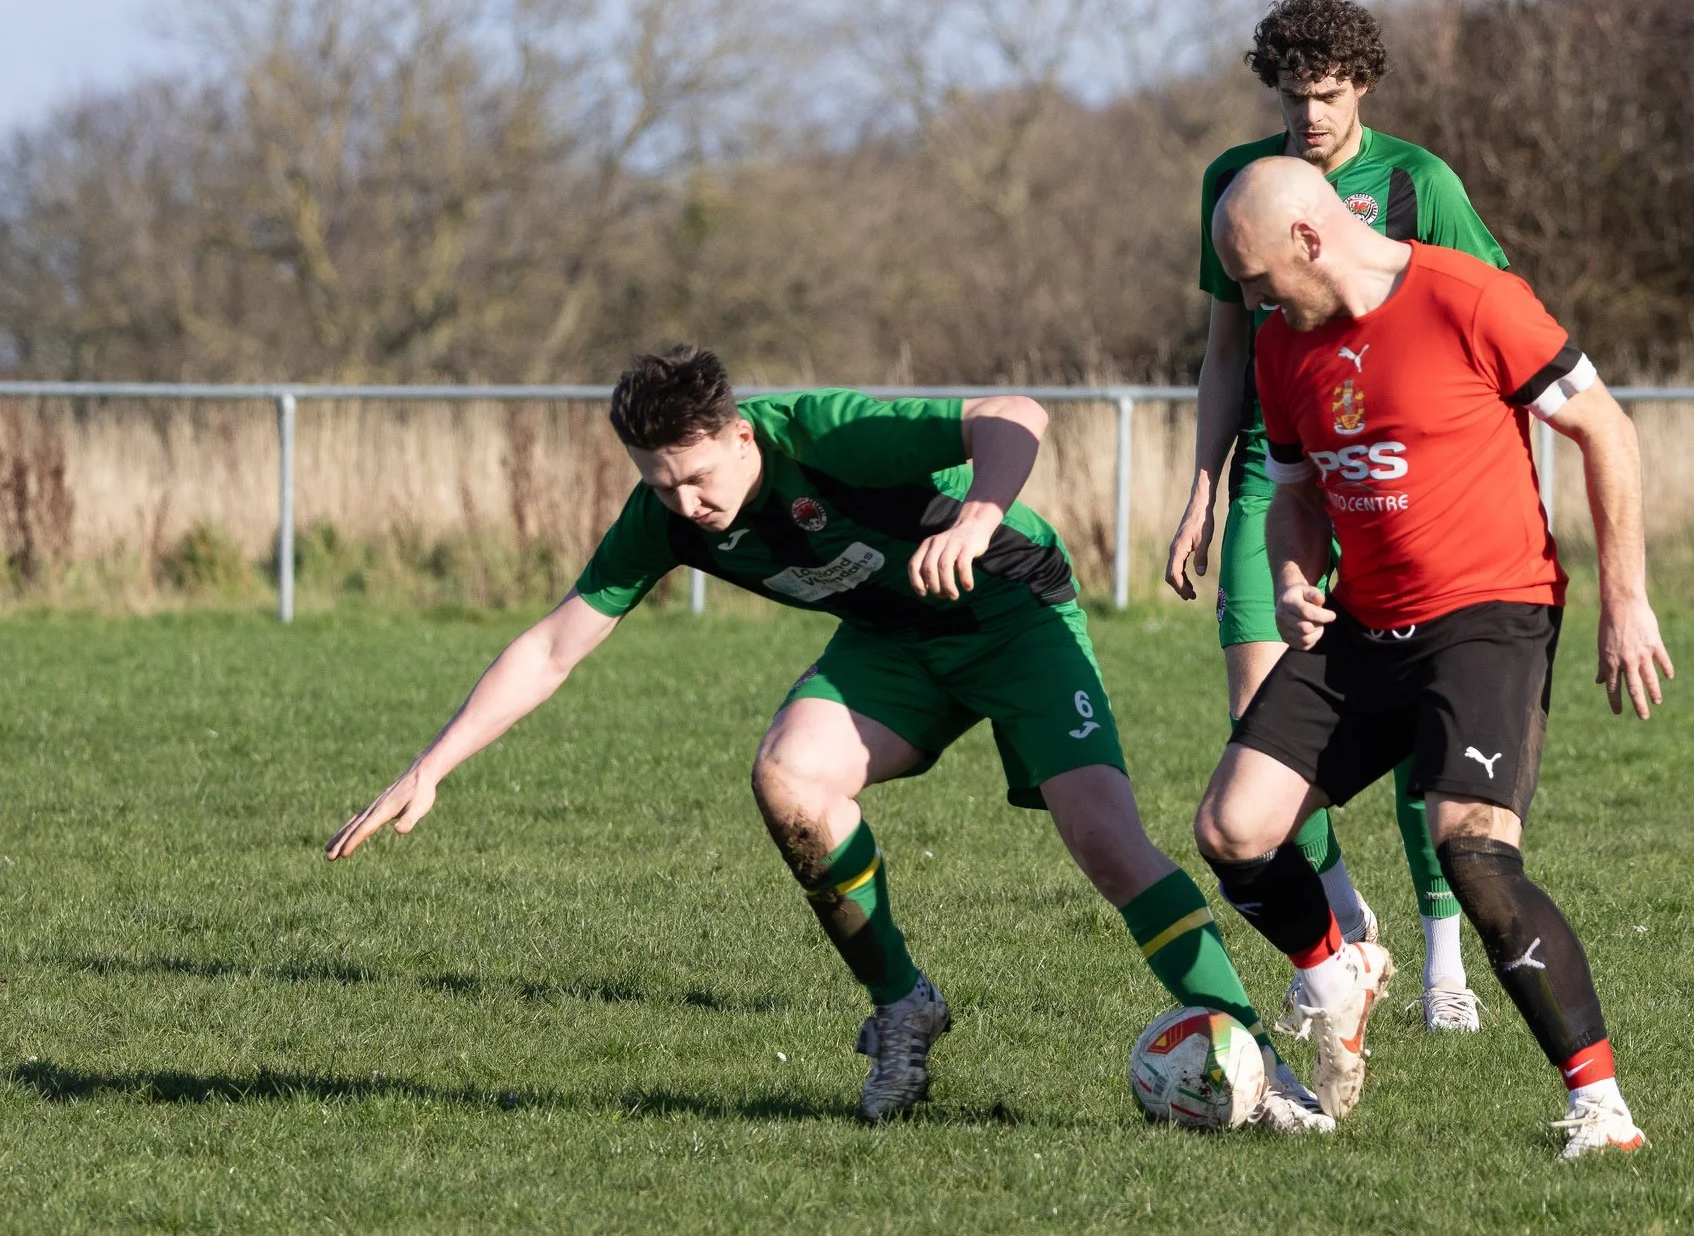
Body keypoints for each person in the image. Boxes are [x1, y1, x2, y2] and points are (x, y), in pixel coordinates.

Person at [326, 344, 1330, 1133]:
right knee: (789, 778)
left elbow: (1014, 417)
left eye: (696, 476)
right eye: (660, 482)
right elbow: (553, 646)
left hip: (1009, 614)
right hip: (896, 641)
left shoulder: (824, 435)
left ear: (737, 431)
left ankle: (1258, 1064)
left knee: (1107, 843)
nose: (686, 502)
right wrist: (430, 768)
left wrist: (978, 520)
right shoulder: (668, 517)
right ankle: (903, 1004)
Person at [1191, 158, 1671, 1158]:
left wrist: (1623, 597)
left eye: (1257, 276)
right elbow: (1292, 494)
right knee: (1233, 830)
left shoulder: (1471, 297)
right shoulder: (1285, 348)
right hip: (1365, 626)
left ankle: (1600, 1107)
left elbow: (1605, 428)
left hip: (1488, 618)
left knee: (1473, 850)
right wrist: (1290, 577)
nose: (1251, 301)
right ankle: (1341, 972)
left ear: (1311, 240)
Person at [1165, 0, 1508, 1032]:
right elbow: (1228, 351)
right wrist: (1201, 487)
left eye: (1327, 94)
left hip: (1389, 476)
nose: (1308, 116)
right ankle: (1348, 933)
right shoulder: (1238, 182)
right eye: (1292, 94)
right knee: (1262, 725)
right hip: (1279, 469)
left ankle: (1444, 963)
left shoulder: (1416, 181)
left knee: (1410, 729)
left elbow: (1487, 318)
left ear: (1360, 86)